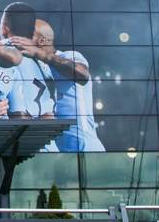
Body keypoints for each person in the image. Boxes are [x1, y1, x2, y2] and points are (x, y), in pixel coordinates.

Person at [10, 19, 104, 152]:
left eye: (26, 33)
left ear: (41, 41)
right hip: (57, 152)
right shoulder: (32, 68)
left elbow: (82, 75)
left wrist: (39, 53)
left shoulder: (69, 56)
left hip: (85, 148)